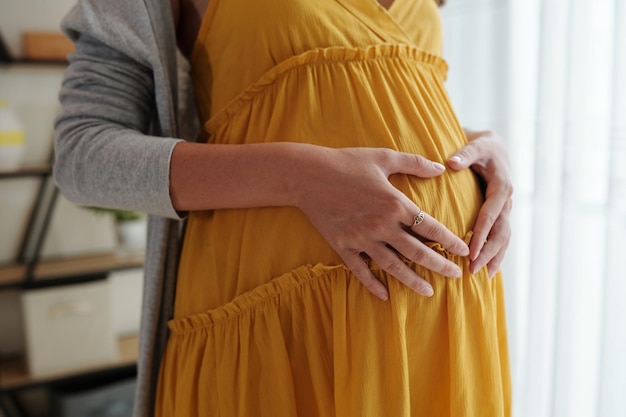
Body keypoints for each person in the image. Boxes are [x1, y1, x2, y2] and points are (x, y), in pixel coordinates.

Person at [54, 0, 513, 415]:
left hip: (447, 321)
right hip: (284, 328)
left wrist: (480, 147)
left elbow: (380, 89)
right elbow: (82, 156)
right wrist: (300, 175)